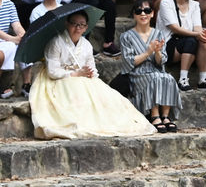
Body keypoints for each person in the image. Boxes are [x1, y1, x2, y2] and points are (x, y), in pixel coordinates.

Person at [29, 10, 157, 139]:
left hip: (83, 77)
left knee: (108, 96)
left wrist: (90, 74)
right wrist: (75, 73)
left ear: (86, 28)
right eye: (74, 24)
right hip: (59, 78)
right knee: (74, 92)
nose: (78, 28)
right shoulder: (56, 42)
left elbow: (93, 69)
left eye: (82, 25)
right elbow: (52, 71)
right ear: (67, 24)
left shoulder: (86, 45)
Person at [120, 0, 182, 133]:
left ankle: (165, 116)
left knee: (168, 78)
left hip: (155, 69)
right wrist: (148, 52)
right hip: (137, 73)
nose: (143, 14)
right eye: (139, 11)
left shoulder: (158, 33)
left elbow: (161, 61)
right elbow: (129, 62)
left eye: (147, 11)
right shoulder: (126, 36)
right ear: (134, 15)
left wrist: (158, 51)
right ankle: (154, 116)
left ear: (152, 14)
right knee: (154, 77)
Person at [156, 0, 206, 91]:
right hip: (168, 45)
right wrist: (197, 34)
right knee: (192, 40)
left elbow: (197, 27)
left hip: (187, 43)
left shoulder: (194, 5)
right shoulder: (166, 2)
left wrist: (201, 35)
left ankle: (202, 80)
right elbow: (174, 28)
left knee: (203, 40)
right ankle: (183, 79)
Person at [0, 0, 26, 98]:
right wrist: (12, 38)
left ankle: (26, 85)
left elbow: (17, 25)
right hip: (5, 40)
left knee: (12, 46)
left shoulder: (9, 4)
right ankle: (3, 86)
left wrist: (22, 35)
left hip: (4, 42)